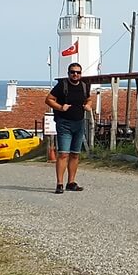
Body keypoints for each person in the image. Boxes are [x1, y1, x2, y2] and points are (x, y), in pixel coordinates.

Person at [45, 64, 94, 194]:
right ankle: (59, 184)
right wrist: (60, 107)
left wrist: (88, 106)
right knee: (63, 154)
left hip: (79, 123)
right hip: (64, 123)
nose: (75, 75)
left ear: (81, 74)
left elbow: (89, 99)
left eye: (78, 72)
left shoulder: (84, 86)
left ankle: (71, 182)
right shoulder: (62, 85)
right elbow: (49, 99)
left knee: (75, 154)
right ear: (68, 73)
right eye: (72, 72)